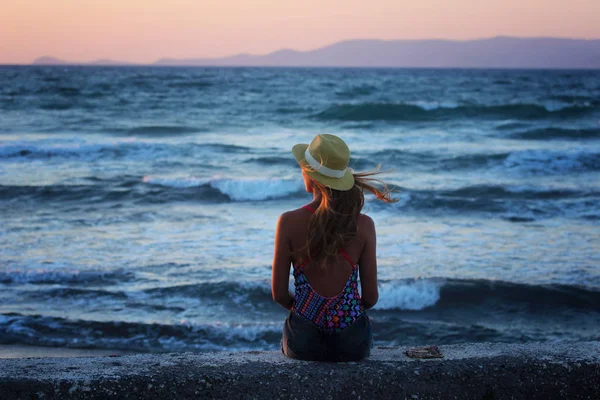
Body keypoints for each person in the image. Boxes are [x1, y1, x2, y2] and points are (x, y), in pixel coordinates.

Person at [271, 133, 396, 362]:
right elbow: (370, 298)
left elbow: (279, 294)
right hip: (352, 343)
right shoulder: (364, 224)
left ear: (310, 175)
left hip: (304, 342)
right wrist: (340, 312)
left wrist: (310, 310)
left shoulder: (288, 221)